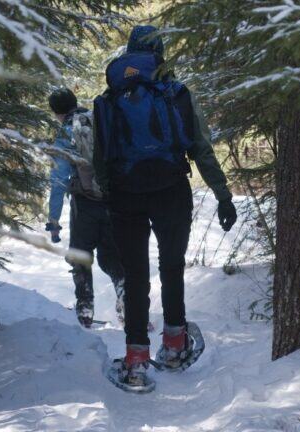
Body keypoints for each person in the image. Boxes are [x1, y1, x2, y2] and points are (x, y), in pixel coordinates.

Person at [93, 25, 236, 392]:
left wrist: (108, 195)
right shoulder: (176, 92)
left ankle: (136, 361)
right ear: (160, 53)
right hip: (172, 190)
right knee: (172, 267)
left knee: (136, 275)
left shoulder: (109, 98)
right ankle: (174, 346)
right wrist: (223, 195)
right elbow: (200, 147)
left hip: (125, 195)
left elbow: (100, 157)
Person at [46, 88, 127, 328]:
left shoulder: (65, 132)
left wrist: (53, 220)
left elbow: (59, 179)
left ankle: (85, 308)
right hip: (113, 201)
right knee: (112, 256)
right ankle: (125, 293)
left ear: (56, 113)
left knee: (80, 256)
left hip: (85, 204)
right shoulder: (99, 120)